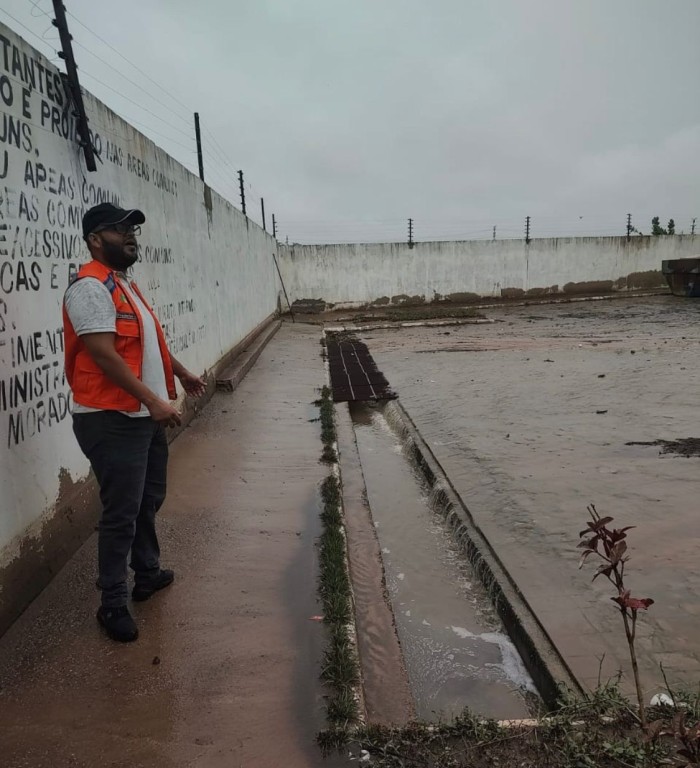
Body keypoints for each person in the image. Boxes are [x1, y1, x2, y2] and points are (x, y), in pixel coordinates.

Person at [63, 202, 206, 642]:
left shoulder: (124, 286)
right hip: (111, 418)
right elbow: (103, 354)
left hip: (141, 416)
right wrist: (153, 401)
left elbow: (150, 345)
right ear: (94, 240)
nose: (129, 235)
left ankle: (146, 573)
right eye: (118, 229)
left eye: (132, 230)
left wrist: (181, 373)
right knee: (121, 512)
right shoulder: (90, 288)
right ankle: (111, 603)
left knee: (147, 499)